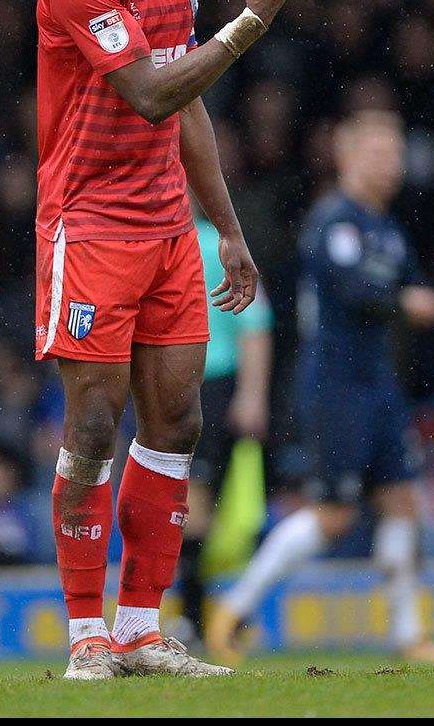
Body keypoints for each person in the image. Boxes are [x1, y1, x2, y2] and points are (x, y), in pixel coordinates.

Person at [35, 0, 304, 680]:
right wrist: (253, 20)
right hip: (92, 224)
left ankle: (142, 629)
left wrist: (226, 228)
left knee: (180, 420)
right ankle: (85, 634)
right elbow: (148, 89)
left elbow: (184, 104)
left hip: (164, 225)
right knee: (92, 426)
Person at [207, 110, 434, 664]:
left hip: (378, 385)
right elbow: (351, 288)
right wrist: (401, 303)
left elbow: (427, 305)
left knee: (402, 502)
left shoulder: (388, 230)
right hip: (335, 385)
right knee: (335, 515)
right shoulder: (332, 222)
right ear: (347, 157)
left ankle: (410, 637)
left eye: (396, 153)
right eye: (378, 153)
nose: (390, 163)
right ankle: (232, 611)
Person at [175, 207, 275, 644]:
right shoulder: (154, 240)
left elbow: (254, 322)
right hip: (171, 381)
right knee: (183, 502)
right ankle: (207, 616)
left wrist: (251, 394)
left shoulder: (215, 242)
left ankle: (207, 618)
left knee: (205, 503)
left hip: (211, 382)